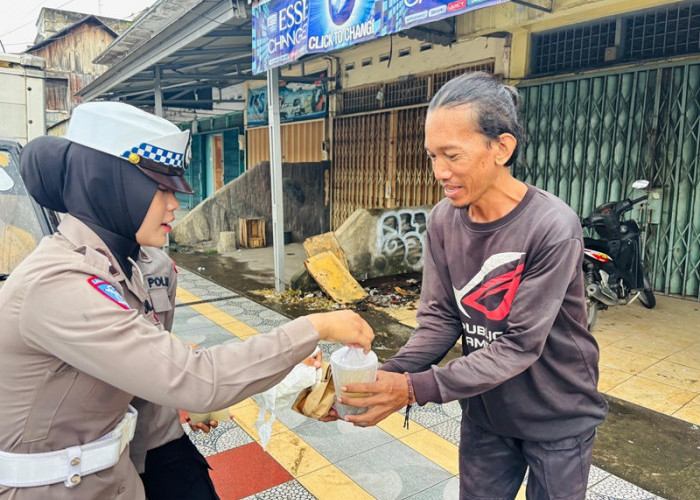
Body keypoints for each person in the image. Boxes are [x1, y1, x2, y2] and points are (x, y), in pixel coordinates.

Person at [0, 101, 373, 499]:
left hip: (121, 467)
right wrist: (315, 326)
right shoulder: (60, 284)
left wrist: (283, 367)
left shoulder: (134, 264)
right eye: (161, 189)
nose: (175, 204)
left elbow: (153, 361)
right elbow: (194, 378)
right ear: (108, 186)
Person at [335, 72, 608, 500]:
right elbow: (440, 320)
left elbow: (520, 345)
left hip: (557, 416)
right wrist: (377, 381)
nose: (439, 171)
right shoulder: (444, 219)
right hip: (486, 410)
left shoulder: (552, 225)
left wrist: (411, 389)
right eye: (432, 156)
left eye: (452, 155)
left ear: (501, 147)